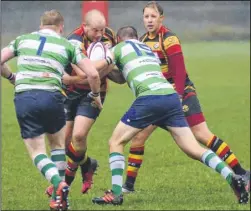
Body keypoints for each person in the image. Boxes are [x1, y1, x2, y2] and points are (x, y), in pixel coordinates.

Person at [91, 26, 249, 205]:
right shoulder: (148, 50)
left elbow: (97, 67)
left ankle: (116, 193)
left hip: (149, 99)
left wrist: (86, 61)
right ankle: (232, 177)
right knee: (194, 148)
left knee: (115, 142)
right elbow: (121, 78)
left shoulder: (118, 48)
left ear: (119, 39)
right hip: (171, 97)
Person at [122, 1, 250, 194]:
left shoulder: (169, 38)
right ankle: (128, 187)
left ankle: (242, 173)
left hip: (180, 94)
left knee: (202, 135)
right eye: (146, 16)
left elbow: (179, 71)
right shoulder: (142, 41)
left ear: (161, 18)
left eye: (153, 16)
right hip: (158, 95)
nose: (149, 20)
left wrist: (179, 95)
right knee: (139, 137)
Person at [1, 9, 103, 210]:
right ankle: (61, 198)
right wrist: (95, 96)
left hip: (25, 97)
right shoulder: (67, 44)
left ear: (40, 26)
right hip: (53, 97)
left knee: (37, 151)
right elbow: (92, 74)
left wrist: (12, 78)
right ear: (61, 28)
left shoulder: (23, 39)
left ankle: (59, 184)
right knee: (57, 146)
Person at [45, 9, 119, 197]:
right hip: (71, 94)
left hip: (95, 94)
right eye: (95, 30)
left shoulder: (109, 35)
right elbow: (85, 75)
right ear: (84, 27)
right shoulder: (74, 42)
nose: (100, 35)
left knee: (78, 136)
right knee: (66, 142)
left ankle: (63, 185)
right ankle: (87, 164)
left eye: (102, 30)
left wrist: (83, 77)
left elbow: (109, 66)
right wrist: (93, 73)